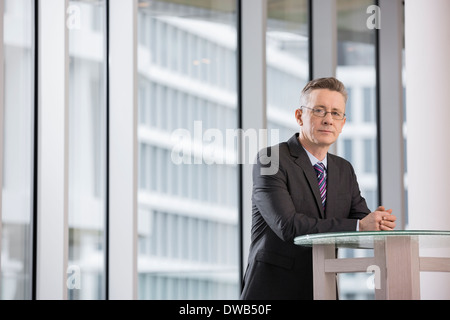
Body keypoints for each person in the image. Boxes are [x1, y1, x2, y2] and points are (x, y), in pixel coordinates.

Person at [240, 77, 397, 300]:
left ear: (343, 123)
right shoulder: (271, 159)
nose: (328, 120)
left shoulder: (344, 169)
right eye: (319, 111)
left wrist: (378, 222)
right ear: (299, 116)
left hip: (323, 288)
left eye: (335, 113)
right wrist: (360, 225)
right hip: (274, 290)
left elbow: (360, 220)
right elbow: (289, 226)